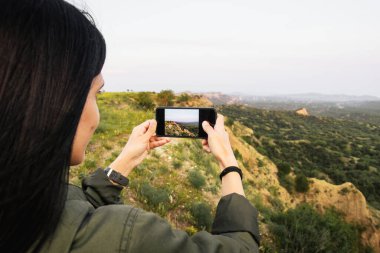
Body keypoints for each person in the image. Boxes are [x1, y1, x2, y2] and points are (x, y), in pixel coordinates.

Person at [0, 0, 260, 252]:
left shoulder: (21, 199)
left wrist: (126, 159)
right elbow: (241, 247)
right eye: (96, 94)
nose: (97, 113)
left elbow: (74, 212)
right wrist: (228, 161)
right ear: (56, 101)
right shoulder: (129, 238)